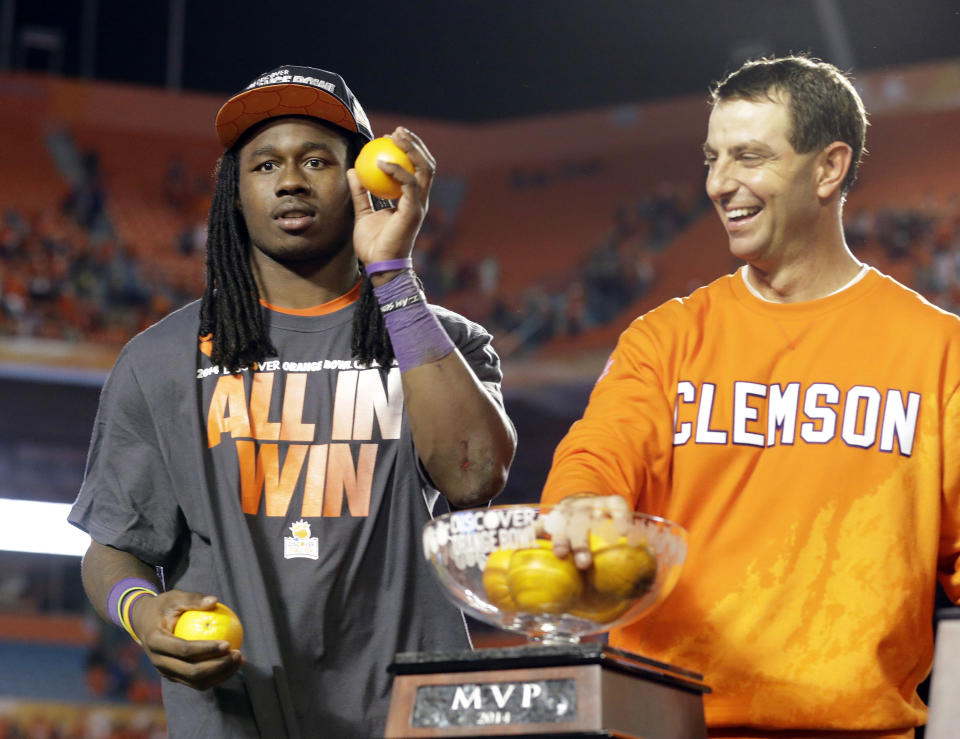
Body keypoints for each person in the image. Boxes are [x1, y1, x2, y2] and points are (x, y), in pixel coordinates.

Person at [69, 65, 516, 738]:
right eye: (264, 163)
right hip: (234, 716)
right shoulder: (159, 360)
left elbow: (475, 475)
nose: (290, 180)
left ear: (365, 179)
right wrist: (139, 609)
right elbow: (114, 546)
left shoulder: (439, 343)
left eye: (317, 159)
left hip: (414, 719)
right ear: (234, 188)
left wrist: (392, 274)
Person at [541, 54, 960, 737]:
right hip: (662, 728)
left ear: (827, 169)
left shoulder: (939, 352)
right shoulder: (666, 337)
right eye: (712, 157)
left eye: (749, 156)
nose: (718, 183)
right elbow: (599, 453)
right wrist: (583, 503)